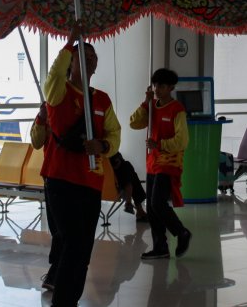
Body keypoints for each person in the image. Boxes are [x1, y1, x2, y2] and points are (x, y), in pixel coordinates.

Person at [40, 22, 121, 306]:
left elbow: (115, 133)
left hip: (90, 181)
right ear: (70, 63)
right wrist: (69, 42)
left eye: (93, 58)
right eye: (82, 57)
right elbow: (52, 76)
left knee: (84, 249)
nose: (90, 61)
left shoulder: (102, 99)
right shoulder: (58, 94)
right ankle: (62, 301)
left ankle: (70, 300)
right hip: (61, 180)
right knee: (72, 242)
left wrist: (103, 146)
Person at [130, 68, 192, 259]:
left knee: (157, 202)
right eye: (155, 85)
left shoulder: (177, 109)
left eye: (162, 86)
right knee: (151, 207)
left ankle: (181, 232)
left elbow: (182, 141)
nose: (157, 89)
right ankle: (160, 247)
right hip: (153, 161)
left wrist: (160, 144)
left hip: (169, 162)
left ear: (171, 87)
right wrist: (146, 102)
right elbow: (134, 123)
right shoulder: (151, 106)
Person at [109, 151, 148, 221]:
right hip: (110, 180)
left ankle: (130, 204)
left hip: (120, 178)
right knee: (127, 167)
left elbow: (119, 159)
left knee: (129, 172)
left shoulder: (111, 146)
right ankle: (138, 210)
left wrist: (118, 161)